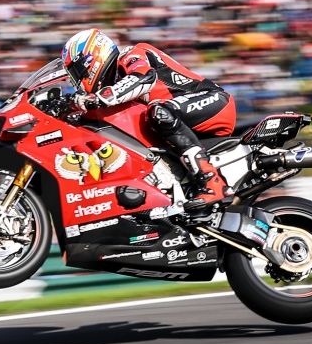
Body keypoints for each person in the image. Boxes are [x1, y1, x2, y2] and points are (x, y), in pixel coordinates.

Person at [60, 29, 235, 211]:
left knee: (158, 111)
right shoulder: (114, 85)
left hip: (212, 99)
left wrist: (98, 98)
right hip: (182, 121)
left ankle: (211, 181)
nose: (77, 82)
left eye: (76, 73)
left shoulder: (131, 55)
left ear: (92, 58)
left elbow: (144, 78)